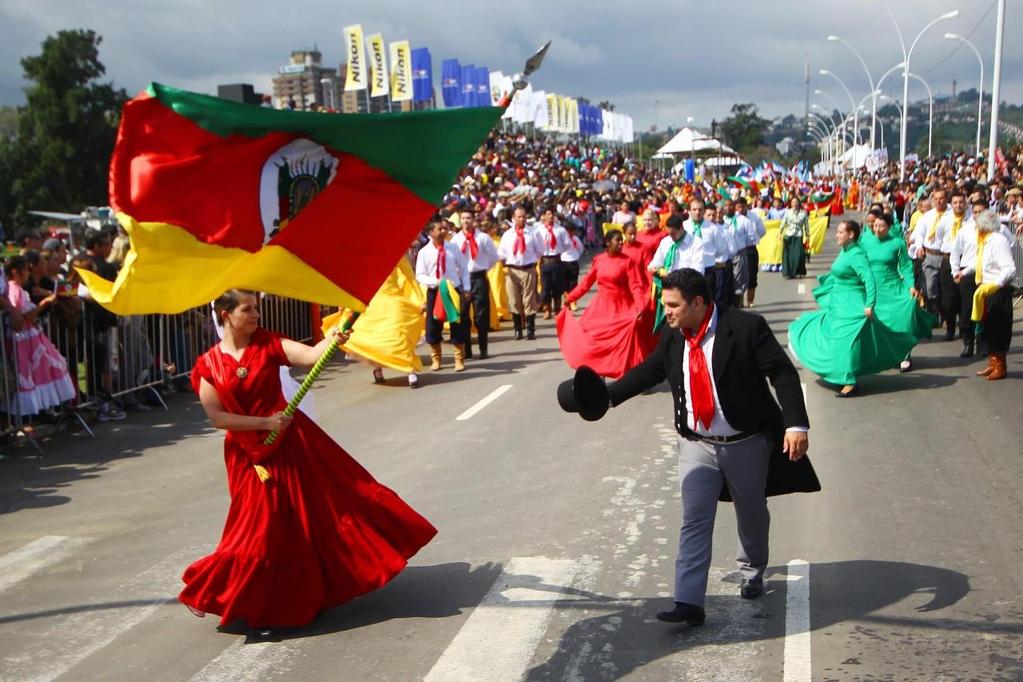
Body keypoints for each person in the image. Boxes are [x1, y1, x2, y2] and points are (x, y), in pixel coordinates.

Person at [557, 268, 817, 627]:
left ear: (698, 302)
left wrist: (795, 424)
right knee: (695, 519)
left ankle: (752, 568)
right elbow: (650, 371)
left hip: (745, 442)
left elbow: (783, 374)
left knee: (751, 510)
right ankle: (688, 601)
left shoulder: (745, 327)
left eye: (674, 305)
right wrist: (607, 397)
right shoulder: (674, 334)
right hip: (696, 444)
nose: (667, 313)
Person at [182, 289, 436, 633]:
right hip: (249, 456)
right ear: (226, 315)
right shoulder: (208, 365)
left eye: (256, 308)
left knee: (306, 517)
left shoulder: (268, 343)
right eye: (248, 309)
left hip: (293, 445)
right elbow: (217, 418)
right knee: (256, 527)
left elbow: (313, 355)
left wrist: (335, 337)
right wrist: (264, 424)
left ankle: (301, 596)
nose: (256, 315)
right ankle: (215, 591)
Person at [788, 220, 918, 397]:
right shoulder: (845, 251)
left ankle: (849, 381)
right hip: (839, 304)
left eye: (841, 232)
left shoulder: (856, 254)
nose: (836, 234)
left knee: (846, 342)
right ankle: (839, 373)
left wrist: (870, 304)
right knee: (832, 337)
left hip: (852, 305)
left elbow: (869, 279)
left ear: (851, 235)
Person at [557, 229, 656, 379]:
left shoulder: (627, 261)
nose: (621, 243)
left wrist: (640, 306)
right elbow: (586, 283)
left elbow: (635, 286)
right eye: (618, 240)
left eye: (621, 240)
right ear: (608, 242)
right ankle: (598, 373)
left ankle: (637, 375)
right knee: (591, 335)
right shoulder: (599, 260)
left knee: (629, 336)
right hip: (601, 307)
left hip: (621, 306)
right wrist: (571, 298)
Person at [323, 256, 426, 389]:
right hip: (370, 303)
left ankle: (409, 369)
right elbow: (352, 279)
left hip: (392, 301)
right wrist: (344, 302)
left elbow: (409, 275)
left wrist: (420, 299)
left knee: (400, 334)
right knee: (374, 337)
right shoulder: (365, 254)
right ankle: (378, 368)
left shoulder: (396, 252)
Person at [859, 212, 936, 373]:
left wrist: (911, 286)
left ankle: (904, 356)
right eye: (875, 226)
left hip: (892, 287)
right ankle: (881, 354)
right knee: (876, 322)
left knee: (900, 320)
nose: (878, 229)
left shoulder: (897, 243)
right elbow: (859, 263)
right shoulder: (865, 241)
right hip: (873, 289)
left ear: (889, 227)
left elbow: (906, 266)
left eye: (882, 226)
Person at [4, 256, 77, 417]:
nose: (28, 274)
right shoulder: (14, 290)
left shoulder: (17, 289)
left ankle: (43, 410)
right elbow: (26, 316)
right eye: (25, 271)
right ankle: (31, 414)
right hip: (24, 339)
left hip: (30, 337)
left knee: (40, 371)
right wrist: (45, 303)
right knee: (32, 371)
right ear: (17, 272)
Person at [964, 210, 1016, 380]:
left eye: (978, 224)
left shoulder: (998, 241)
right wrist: (963, 272)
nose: (976, 227)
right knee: (988, 328)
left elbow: (1009, 268)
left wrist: (996, 285)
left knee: (998, 328)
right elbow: (979, 263)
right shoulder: (984, 242)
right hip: (985, 289)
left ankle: (1000, 365)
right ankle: (992, 363)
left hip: (996, 291)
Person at [415, 219, 470, 371]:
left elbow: (464, 269)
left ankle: (459, 358)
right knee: (433, 326)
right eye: (440, 229)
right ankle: (436, 358)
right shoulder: (424, 252)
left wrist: (466, 288)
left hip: (453, 290)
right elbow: (420, 275)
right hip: (435, 290)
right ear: (431, 232)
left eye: (445, 229)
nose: (443, 232)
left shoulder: (453, 248)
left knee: (457, 323)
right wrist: (437, 282)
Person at [449, 210, 499, 360]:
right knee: (464, 315)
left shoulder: (483, 238)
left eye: (468, 218)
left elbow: (493, 257)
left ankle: (483, 348)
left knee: (481, 315)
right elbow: (452, 261)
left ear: (474, 220)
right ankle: (468, 350)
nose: (466, 221)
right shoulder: (456, 240)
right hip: (462, 280)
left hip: (478, 277)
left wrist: (483, 269)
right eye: (463, 218)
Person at [911, 189, 956, 340]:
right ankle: (938, 313)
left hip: (946, 256)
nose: (939, 201)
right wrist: (918, 247)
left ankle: (949, 322)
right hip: (930, 255)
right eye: (936, 199)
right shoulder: (927, 216)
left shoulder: (952, 214)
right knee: (930, 289)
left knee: (947, 293)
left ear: (946, 199)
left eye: (942, 198)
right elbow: (919, 234)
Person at [497, 206, 544, 340]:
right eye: (519, 217)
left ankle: (530, 329)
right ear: (513, 218)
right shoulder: (508, 235)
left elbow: (540, 249)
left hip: (528, 269)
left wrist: (532, 260)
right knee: (514, 300)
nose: (521, 219)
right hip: (512, 270)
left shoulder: (533, 233)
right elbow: (501, 253)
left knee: (529, 300)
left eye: (523, 216)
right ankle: (518, 329)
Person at [536, 206, 571, 320]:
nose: (551, 216)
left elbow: (567, 244)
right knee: (545, 287)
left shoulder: (560, 230)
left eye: (552, 214)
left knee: (557, 286)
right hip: (545, 261)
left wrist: (559, 251)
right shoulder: (539, 230)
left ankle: (557, 308)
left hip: (556, 260)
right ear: (544, 216)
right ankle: (547, 309)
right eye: (548, 214)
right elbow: (536, 245)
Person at [736, 198, 766, 307]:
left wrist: (753, 239)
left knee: (752, 274)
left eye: (742, 207)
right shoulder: (734, 218)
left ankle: (750, 299)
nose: (740, 209)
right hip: (738, 250)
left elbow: (762, 231)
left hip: (750, 249)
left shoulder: (754, 217)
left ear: (746, 206)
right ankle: (739, 300)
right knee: (739, 275)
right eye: (738, 207)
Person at [780, 197, 809, 279]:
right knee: (789, 256)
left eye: (796, 202)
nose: (794, 204)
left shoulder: (803, 213)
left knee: (799, 255)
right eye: (793, 202)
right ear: (791, 204)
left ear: (799, 203)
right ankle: (789, 273)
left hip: (798, 235)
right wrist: (780, 232)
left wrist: (808, 236)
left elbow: (806, 225)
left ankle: (799, 271)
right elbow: (783, 223)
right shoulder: (788, 212)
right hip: (789, 236)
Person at [561, 223, 585, 312]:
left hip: (573, 262)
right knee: (565, 284)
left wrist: (576, 256)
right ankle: (567, 301)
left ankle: (573, 302)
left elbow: (580, 249)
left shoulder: (575, 239)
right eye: (568, 231)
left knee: (573, 283)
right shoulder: (562, 239)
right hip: (563, 262)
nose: (570, 233)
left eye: (571, 231)